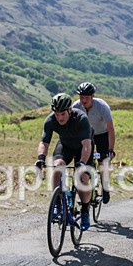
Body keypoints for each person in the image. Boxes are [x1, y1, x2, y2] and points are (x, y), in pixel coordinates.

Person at [35, 93, 93, 230]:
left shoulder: (81, 119)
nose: (60, 117)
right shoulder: (50, 121)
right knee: (57, 169)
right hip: (65, 146)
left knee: (82, 178)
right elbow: (44, 142)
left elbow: (86, 145)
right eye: (57, 114)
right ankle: (57, 203)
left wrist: (82, 162)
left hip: (83, 149)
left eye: (63, 114)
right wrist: (41, 159)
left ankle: (85, 210)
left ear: (70, 110)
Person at [72, 82, 115, 204]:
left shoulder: (102, 107)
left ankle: (105, 186)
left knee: (103, 161)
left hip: (101, 134)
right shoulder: (75, 106)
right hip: (85, 136)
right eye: (81, 97)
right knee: (85, 163)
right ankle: (87, 189)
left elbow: (111, 129)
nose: (83, 100)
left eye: (86, 97)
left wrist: (111, 149)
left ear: (92, 96)